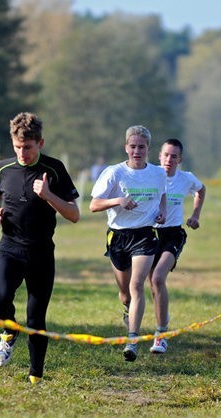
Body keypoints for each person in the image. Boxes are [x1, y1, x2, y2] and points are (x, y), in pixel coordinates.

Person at [0, 112, 80, 384]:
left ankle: (35, 374)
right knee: (0, 297)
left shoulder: (54, 169)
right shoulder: (3, 168)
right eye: (17, 147)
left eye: (27, 147)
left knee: (36, 317)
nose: (22, 153)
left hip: (41, 253)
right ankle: (9, 331)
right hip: (10, 248)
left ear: (40, 143)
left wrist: (49, 195)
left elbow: (74, 214)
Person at [89, 125, 166, 362]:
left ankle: (132, 341)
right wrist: (118, 201)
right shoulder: (114, 173)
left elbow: (162, 196)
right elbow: (93, 205)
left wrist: (161, 212)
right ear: (126, 148)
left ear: (148, 149)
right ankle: (127, 310)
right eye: (132, 146)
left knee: (137, 285)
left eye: (141, 147)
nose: (136, 151)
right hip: (118, 236)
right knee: (125, 294)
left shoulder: (158, 173)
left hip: (144, 235)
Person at [148, 138, 206, 354]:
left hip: (173, 234)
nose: (169, 160)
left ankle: (161, 335)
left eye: (174, 156)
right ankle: (162, 317)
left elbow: (201, 190)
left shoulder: (186, 179)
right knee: (154, 286)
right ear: (159, 156)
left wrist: (195, 215)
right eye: (166, 155)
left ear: (180, 159)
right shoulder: (150, 174)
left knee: (158, 278)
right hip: (148, 234)